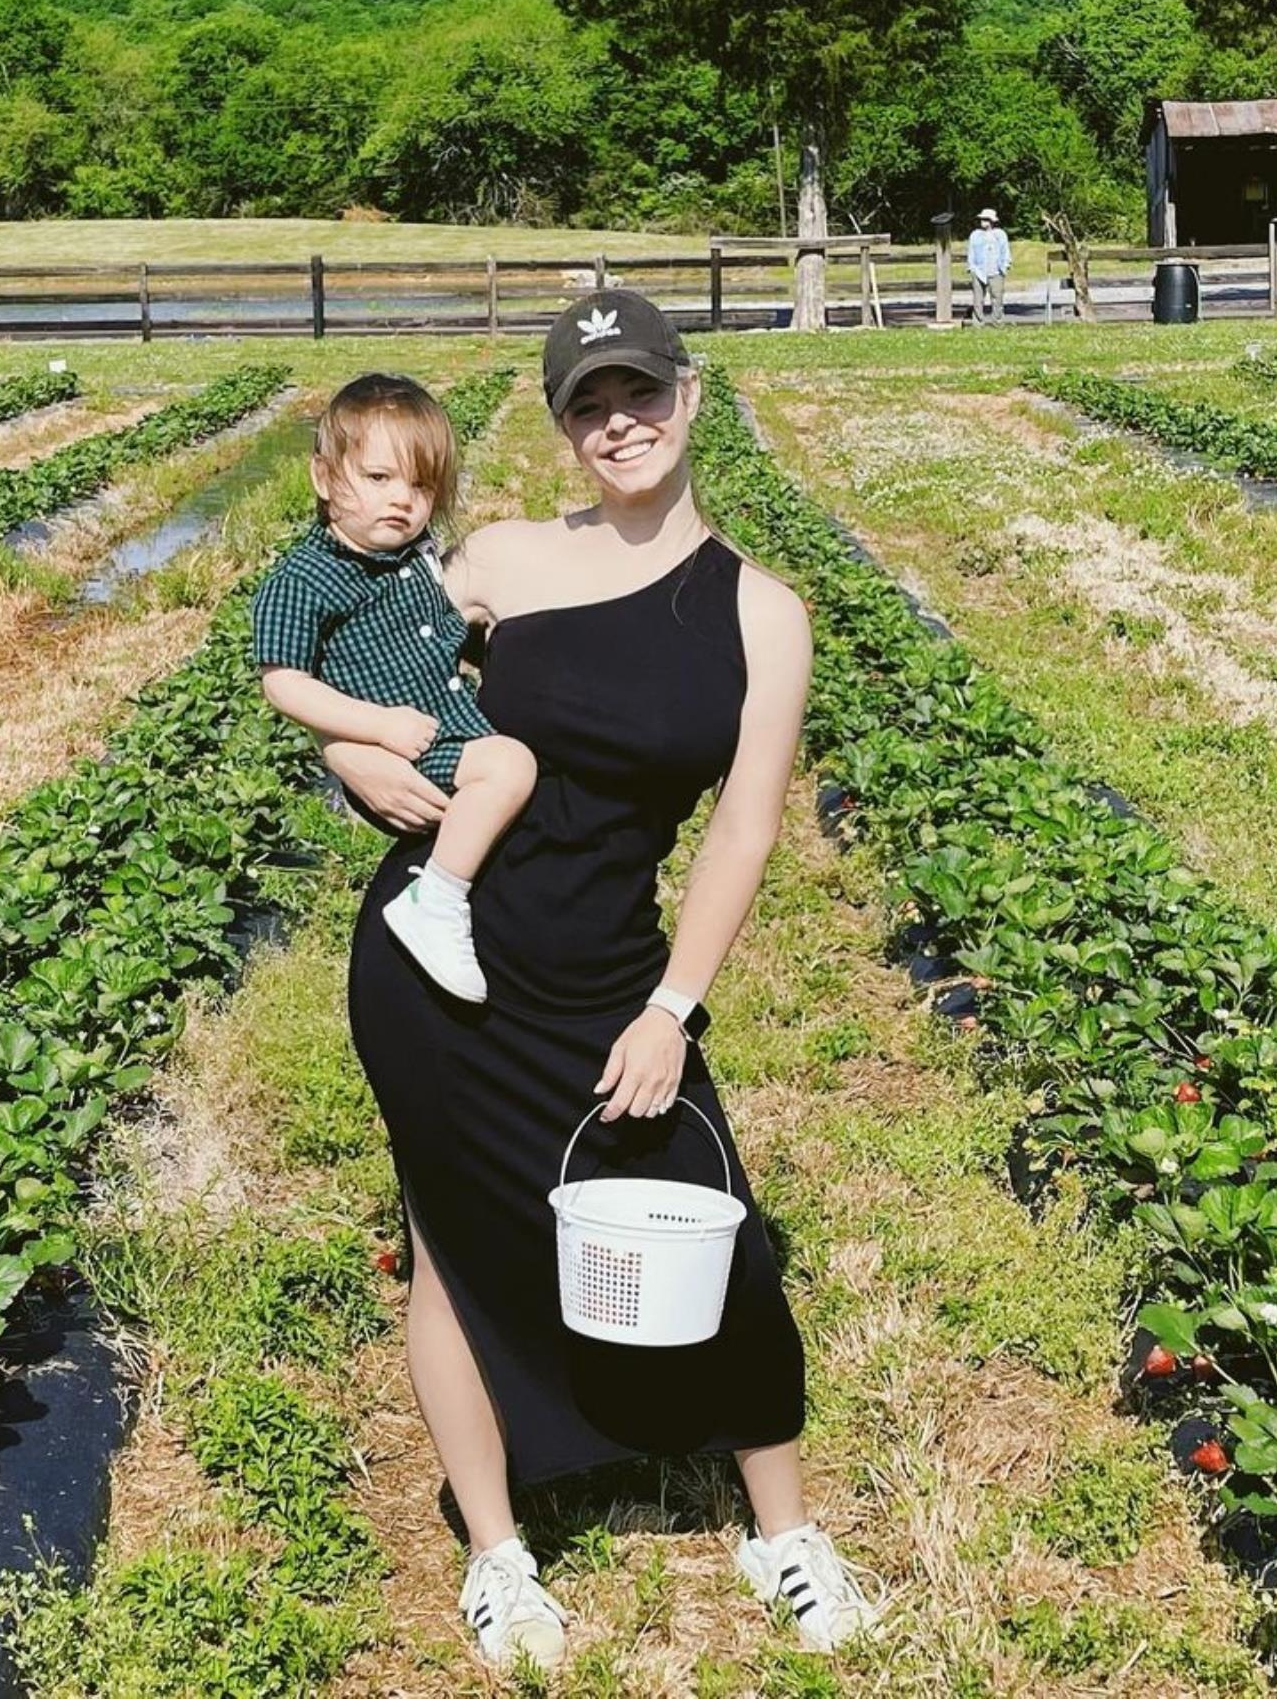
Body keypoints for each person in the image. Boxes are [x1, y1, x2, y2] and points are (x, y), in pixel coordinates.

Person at [320, 291, 884, 1674]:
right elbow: (355, 668)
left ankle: (784, 1534)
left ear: (689, 398)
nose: (615, 421)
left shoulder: (761, 612)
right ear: (563, 426)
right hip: (438, 954)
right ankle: (500, 1558)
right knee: (447, 1242)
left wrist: (672, 1008)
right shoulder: (501, 558)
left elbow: (743, 826)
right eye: (587, 401)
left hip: (610, 968)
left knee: (718, 1220)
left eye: (638, 391)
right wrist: (347, 762)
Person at [253, 374, 537, 1002]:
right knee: (511, 767)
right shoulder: (307, 577)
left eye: (421, 485)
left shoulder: (414, 558)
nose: (402, 501)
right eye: (379, 479)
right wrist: (375, 730)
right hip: (407, 746)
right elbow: (283, 682)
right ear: (324, 480)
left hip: (443, 717)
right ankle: (435, 900)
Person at [967, 208, 1010, 324]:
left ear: (992, 221)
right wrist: (971, 268)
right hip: (979, 271)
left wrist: (1004, 267)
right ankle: (978, 322)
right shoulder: (975, 235)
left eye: (986, 219)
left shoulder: (1000, 234)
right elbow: (971, 252)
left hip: (996, 271)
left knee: (997, 298)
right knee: (978, 299)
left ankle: (997, 321)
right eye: (982, 219)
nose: (983, 221)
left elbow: (1005, 251)